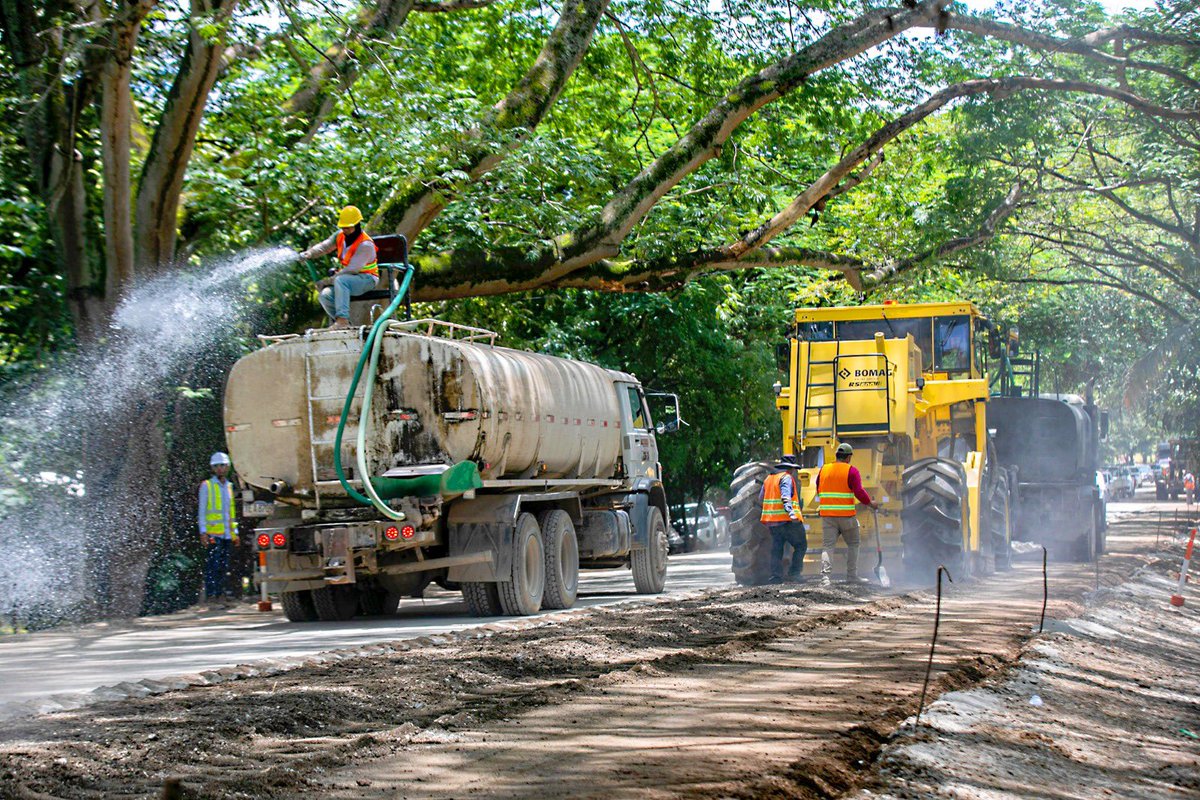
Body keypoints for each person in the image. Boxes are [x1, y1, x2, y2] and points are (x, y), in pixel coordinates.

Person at [298, 205, 380, 329]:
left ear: (357, 225)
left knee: (341, 280)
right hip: (346, 279)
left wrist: (327, 281)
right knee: (325, 295)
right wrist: (310, 253)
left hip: (366, 279)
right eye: (343, 227)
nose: (345, 230)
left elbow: (352, 269)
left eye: (348, 227)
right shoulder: (340, 236)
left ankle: (342, 320)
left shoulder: (365, 245)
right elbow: (325, 246)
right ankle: (345, 325)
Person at [817, 442, 878, 583]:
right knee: (854, 543)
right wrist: (870, 504)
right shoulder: (851, 471)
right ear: (848, 457)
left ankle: (825, 578)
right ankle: (851, 576)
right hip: (846, 517)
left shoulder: (824, 469)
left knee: (828, 546)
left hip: (827, 517)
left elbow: (818, 489)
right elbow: (859, 492)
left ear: (837, 455)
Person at [759, 454, 807, 584]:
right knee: (801, 545)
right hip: (788, 521)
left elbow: (760, 499)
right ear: (790, 468)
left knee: (777, 548)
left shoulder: (768, 479)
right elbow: (785, 496)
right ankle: (794, 573)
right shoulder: (786, 477)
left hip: (773, 522)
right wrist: (791, 513)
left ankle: (776, 576)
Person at [199, 452, 239, 603]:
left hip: (227, 534)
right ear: (213, 468)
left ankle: (221, 594)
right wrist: (203, 532)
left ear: (227, 467)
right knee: (212, 565)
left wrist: (235, 533)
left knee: (224, 565)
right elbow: (202, 511)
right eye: (217, 466)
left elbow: (231, 512)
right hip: (212, 533)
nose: (220, 469)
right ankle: (212, 595)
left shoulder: (229, 486)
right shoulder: (207, 486)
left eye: (222, 465)